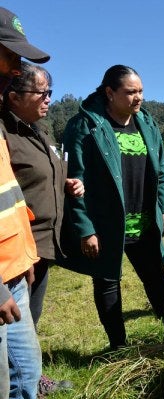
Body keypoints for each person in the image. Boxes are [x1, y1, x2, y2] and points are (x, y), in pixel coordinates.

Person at [61, 65, 164, 349]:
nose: (138, 97)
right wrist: (85, 228)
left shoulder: (147, 124)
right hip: (105, 224)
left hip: (143, 222)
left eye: (141, 91)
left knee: (157, 279)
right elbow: (73, 180)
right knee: (107, 284)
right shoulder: (86, 126)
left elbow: (162, 170)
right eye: (130, 92)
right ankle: (119, 346)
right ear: (110, 92)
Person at [1, 63, 80, 396]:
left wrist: (67, 183)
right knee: (19, 320)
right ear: (15, 96)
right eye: (42, 93)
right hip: (18, 247)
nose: (49, 99)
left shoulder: (40, 130)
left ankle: (31, 377)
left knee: (31, 319)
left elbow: (43, 174)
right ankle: (24, 380)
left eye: (51, 91)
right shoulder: (6, 133)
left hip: (44, 244)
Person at [0, 6, 50, 399]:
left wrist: (27, 252)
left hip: (15, 270)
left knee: (27, 381)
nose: (16, 67)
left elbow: (10, 197)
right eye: (8, 54)